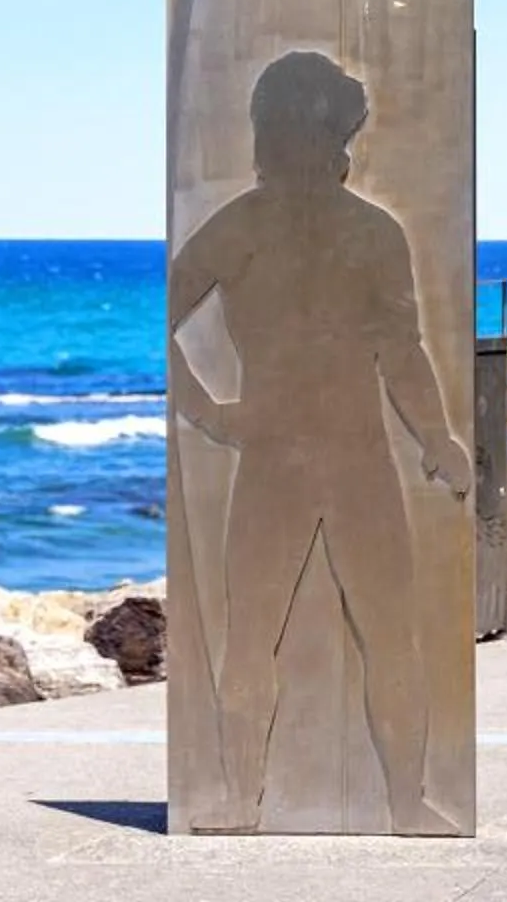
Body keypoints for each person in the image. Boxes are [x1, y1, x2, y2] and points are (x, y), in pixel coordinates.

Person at [167, 50, 473, 833]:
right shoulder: (253, 227)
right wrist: (207, 413)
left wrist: (437, 435)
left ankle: (403, 802)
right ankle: (247, 799)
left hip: (347, 458)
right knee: (260, 637)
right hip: (286, 459)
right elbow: (158, 320)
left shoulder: (366, 232)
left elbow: (402, 352)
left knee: (384, 635)